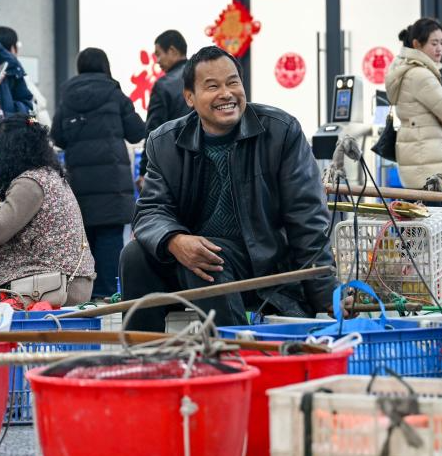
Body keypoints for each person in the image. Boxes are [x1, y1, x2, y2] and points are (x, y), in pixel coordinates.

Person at [120, 46, 336, 331]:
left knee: (208, 261)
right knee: (134, 256)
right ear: (189, 97)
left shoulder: (281, 132)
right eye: (212, 86)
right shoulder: (164, 143)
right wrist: (175, 240)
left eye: (233, 82)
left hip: (263, 268)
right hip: (193, 261)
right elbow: (150, 210)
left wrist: (327, 297)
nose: (226, 94)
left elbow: (307, 219)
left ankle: (233, 353)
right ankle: (145, 354)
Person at [0, 115, 95, 311]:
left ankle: (8, 331)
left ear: (8, 153)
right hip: (54, 273)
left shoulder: (29, 183)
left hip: (59, 284)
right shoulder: (45, 174)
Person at [51, 48, 146, 298]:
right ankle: (108, 295)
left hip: (79, 183)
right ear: (105, 66)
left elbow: (57, 136)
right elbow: (137, 131)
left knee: (85, 240)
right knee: (110, 238)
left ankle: (85, 295)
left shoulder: (67, 97)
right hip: (112, 184)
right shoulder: (114, 93)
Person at [384, 17, 442, 189]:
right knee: (436, 207)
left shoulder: (405, 70)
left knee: (420, 206)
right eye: (434, 43)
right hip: (430, 166)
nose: (439, 48)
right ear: (417, 44)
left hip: (417, 161)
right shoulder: (420, 75)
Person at [137, 29, 191, 189]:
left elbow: (153, 131)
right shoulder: (201, 78)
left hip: (175, 167)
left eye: (159, 54)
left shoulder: (164, 85)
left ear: (172, 51)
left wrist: (144, 171)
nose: (157, 61)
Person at [0, 19, 34, 117]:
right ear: (13, 48)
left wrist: (30, 122)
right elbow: (34, 111)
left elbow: (31, 112)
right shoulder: (16, 71)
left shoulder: (16, 71)